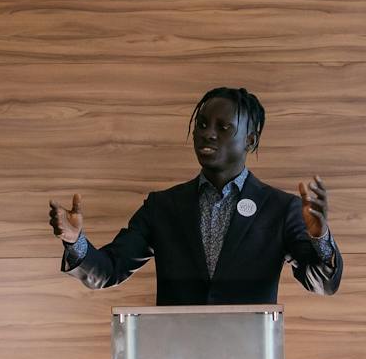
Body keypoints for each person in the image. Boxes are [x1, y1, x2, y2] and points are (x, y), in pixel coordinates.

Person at [48, 86, 342, 305]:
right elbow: (109, 270)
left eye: (223, 127)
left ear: (249, 140)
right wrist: (76, 243)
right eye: (202, 125)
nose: (207, 134)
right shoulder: (163, 207)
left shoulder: (279, 208)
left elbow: (323, 283)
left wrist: (320, 237)